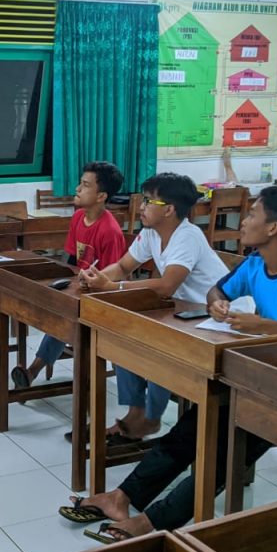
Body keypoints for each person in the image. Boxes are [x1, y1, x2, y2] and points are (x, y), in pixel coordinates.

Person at [61, 184, 277, 541]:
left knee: (223, 453)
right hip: (262, 373)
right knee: (190, 429)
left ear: (273, 228)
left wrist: (263, 325)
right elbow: (218, 289)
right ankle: (121, 498)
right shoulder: (255, 264)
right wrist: (217, 304)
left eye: (252, 215)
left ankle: (151, 523)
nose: (244, 222)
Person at [78, 172, 228, 442]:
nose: (142, 206)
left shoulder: (187, 236)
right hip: (183, 313)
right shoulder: (151, 232)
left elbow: (167, 285)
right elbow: (123, 266)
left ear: (169, 210)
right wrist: (95, 276)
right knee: (120, 336)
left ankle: (150, 418)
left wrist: (112, 288)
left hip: (212, 319)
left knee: (157, 346)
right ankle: (136, 411)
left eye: (149, 201)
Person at [10, 161, 126, 391]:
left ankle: (33, 371)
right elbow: (72, 259)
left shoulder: (109, 230)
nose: (77, 189)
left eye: (85, 185)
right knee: (56, 308)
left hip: (101, 296)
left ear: (101, 196)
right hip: (79, 288)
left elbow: (113, 277)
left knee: (65, 318)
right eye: (80, 183)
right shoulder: (78, 217)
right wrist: (66, 283)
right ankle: (33, 371)